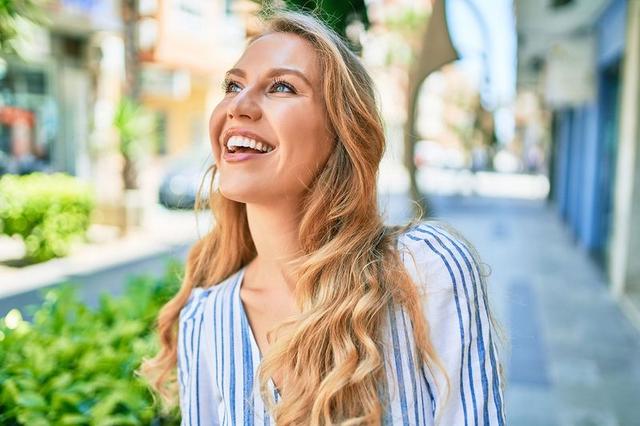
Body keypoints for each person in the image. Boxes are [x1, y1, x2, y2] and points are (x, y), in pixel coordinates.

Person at [141, 9, 507, 426]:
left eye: (281, 86)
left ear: (342, 133)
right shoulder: (204, 320)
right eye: (233, 85)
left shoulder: (424, 271)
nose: (238, 106)